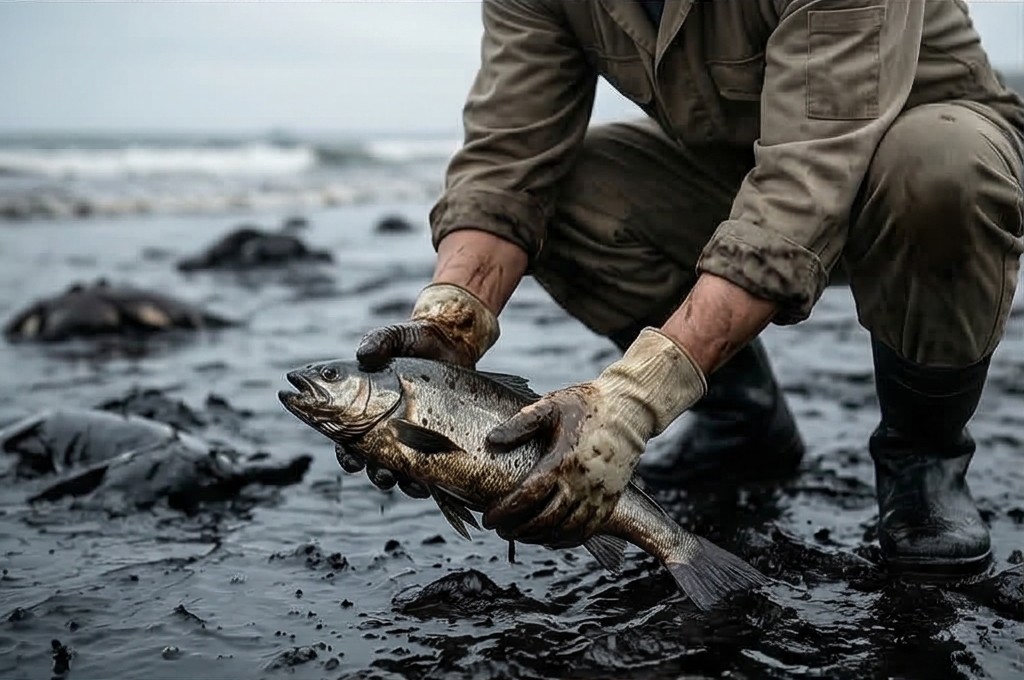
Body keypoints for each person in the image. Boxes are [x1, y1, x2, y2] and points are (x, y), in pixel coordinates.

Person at [349, 0, 1024, 578]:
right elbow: (508, 164)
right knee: (565, 195)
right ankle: (741, 422)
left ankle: (924, 456)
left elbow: (804, 184)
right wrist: (449, 321)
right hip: (739, 173)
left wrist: (634, 401)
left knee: (942, 169)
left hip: (913, 166)